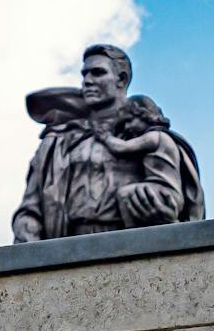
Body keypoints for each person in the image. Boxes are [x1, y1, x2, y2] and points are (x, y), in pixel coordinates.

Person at [11, 44, 203, 241]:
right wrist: (28, 248)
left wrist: (159, 208)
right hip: (68, 251)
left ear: (122, 79)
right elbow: (30, 211)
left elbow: (171, 201)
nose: (87, 81)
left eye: (97, 73)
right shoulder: (58, 141)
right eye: (84, 75)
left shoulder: (148, 137)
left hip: (132, 247)